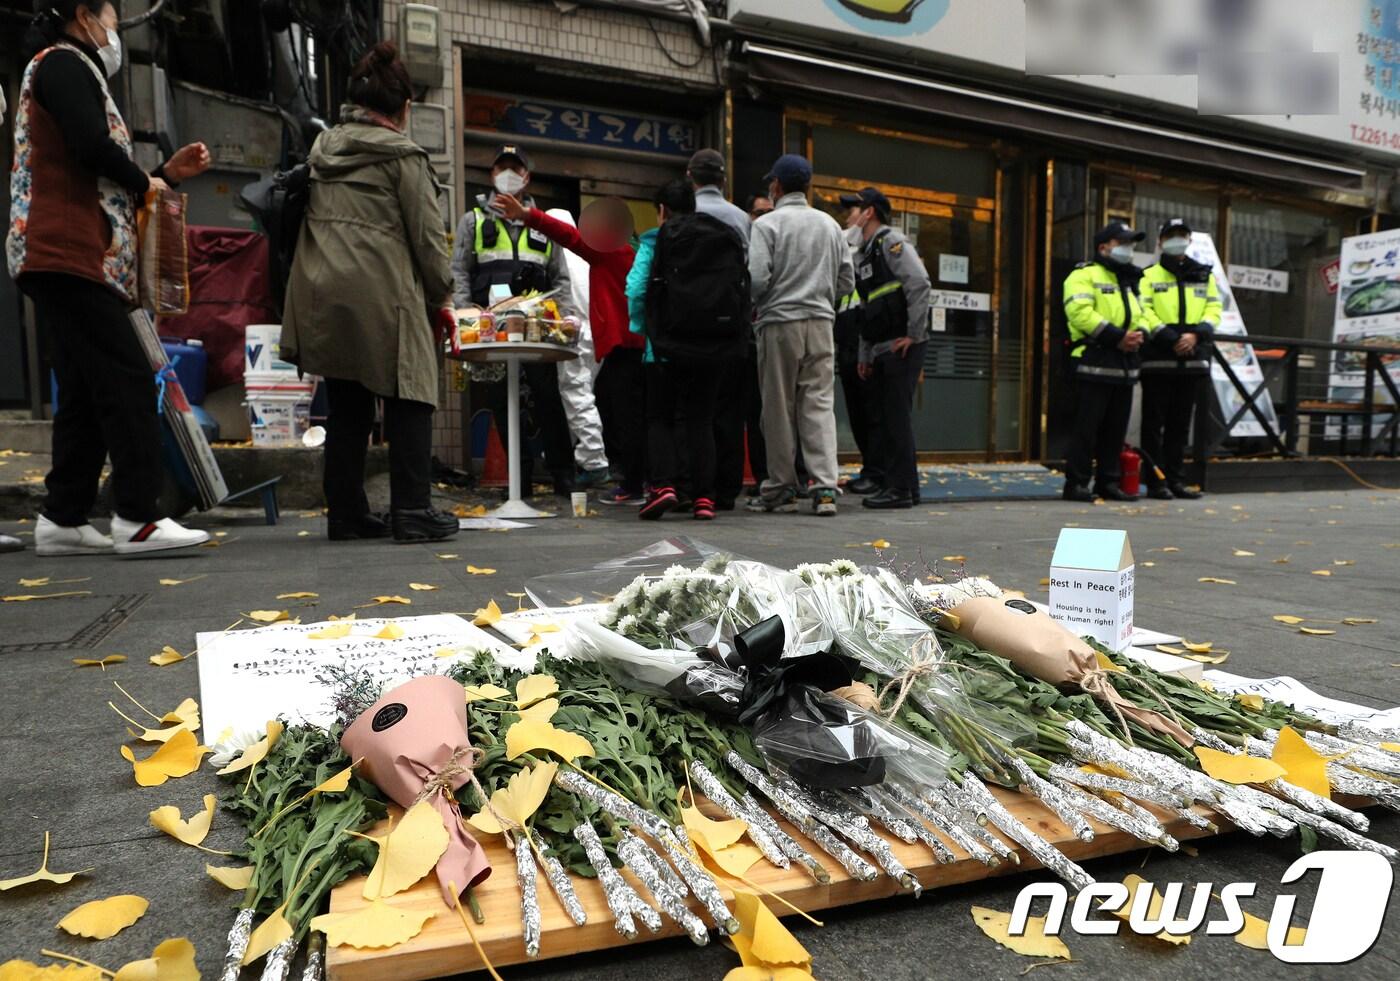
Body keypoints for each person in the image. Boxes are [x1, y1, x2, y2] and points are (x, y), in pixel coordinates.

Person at [8, 1, 212, 556]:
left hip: (63, 252)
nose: (115, 34)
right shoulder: (64, 64)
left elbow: (94, 165)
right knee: (125, 375)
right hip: (72, 251)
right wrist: (149, 182)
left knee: (82, 385)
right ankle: (137, 516)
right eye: (113, 20)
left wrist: (162, 176)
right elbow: (91, 148)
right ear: (84, 15)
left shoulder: (61, 67)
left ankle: (63, 517)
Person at [281, 42, 457, 543]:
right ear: (404, 108)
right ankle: (413, 510)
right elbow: (426, 239)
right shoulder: (404, 158)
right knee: (411, 390)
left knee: (349, 401)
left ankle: (346, 512)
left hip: (320, 288)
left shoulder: (322, 152)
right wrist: (442, 296)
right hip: (382, 289)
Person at [490, 192, 643, 505]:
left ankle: (595, 463)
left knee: (576, 394)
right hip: (624, 340)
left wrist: (529, 216)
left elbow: (568, 285)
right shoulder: (629, 251)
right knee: (607, 403)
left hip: (581, 335)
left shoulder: (582, 252)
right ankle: (615, 468)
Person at [451, 145, 577, 496]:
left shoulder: (543, 225)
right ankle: (519, 477)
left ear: (527, 177)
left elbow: (560, 277)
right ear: (492, 175)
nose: (508, 174)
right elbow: (460, 270)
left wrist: (565, 319)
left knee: (547, 397)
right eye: (501, 167)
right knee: (501, 400)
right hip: (491, 328)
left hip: (537, 326)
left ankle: (562, 474)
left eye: (515, 168)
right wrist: (465, 313)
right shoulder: (473, 220)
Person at [747, 153, 854, 517]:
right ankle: (825, 487)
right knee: (819, 404)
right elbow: (846, 282)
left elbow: (758, 279)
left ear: (776, 186)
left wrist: (762, 302)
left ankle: (780, 486)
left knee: (778, 407)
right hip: (821, 323)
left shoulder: (766, 225)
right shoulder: (830, 226)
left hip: (779, 322)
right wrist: (821, 297)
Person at [846, 187, 931, 510]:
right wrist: (865, 354)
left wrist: (914, 334)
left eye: (854, 209)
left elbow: (919, 283)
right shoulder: (865, 253)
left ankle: (900, 490)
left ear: (869, 212)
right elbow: (870, 308)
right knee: (886, 418)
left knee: (896, 418)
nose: (848, 216)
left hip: (901, 346)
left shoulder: (891, 242)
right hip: (882, 347)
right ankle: (902, 487)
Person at [1061, 222, 1154, 503]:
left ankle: (1107, 482)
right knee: (1086, 430)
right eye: (1121, 242)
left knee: (1115, 430)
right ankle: (1076, 484)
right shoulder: (1084, 275)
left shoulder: (1129, 278)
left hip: (1124, 366)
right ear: (1103, 247)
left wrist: (1141, 335)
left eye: (1130, 243)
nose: (1128, 249)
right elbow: (1079, 312)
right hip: (1094, 362)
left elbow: (1144, 313)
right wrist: (1117, 337)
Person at [686, 149, 754, 511]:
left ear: (690, 176)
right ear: (723, 180)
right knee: (729, 407)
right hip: (730, 325)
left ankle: (698, 487)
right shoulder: (741, 218)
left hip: (686, 327)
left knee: (694, 409)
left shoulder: (683, 214)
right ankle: (727, 488)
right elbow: (752, 271)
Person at [1138, 219, 1219, 500]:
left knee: (1180, 427)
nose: (1177, 241)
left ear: (1189, 240)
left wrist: (1196, 336)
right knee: (1153, 426)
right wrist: (1171, 338)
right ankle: (1155, 481)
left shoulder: (1203, 275)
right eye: (1171, 236)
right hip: (1158, 361)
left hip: (1192, 361)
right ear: (1160, 242)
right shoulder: (1147, 276)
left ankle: (1176, 480)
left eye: (1182, 236)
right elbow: (1143, 311)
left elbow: (1214, 308)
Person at [544, 207, 610, 489]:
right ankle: (580, 457)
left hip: (573, 333)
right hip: (596, 334)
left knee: (576, 394)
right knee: (584, 395)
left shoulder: (560, 257)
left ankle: (594, 463)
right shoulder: (585, 254)